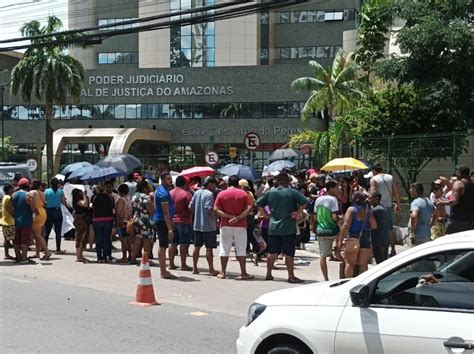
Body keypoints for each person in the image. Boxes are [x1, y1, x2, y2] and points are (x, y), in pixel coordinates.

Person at [256, 172, 309, 283]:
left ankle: (268, 274)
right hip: (288, 227)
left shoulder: (270, 193)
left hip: (273, 227)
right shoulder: (292, 192)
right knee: (289, 253)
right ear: (288, 181)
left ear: (278, 181)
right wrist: (298, 212)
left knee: (272, 252)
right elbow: (305, 201)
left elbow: (258, 203)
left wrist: (265, 215)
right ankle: (291, 276)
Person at [214, 175, 253, 280]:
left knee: (224, 248)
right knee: (241, 249)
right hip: (240, 225)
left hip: (225, 224)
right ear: (238, 184)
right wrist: (238, 217)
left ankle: (223, 272)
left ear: (227, 184)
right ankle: (243, 273)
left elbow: (216, 209)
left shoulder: (221, 194)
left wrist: (229, 217)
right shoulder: (244, 194)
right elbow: (249, 208)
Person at [338, 192, 376, 278]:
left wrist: (340, 240)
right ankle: (362, 284)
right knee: (363, 264)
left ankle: (347, 283)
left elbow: (346, 225)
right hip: (365, 236)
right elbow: (374, 225)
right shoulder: (368, 210)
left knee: (349, 264)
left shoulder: (351, 210)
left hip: (353, 236)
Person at [189, 176, 219, 276]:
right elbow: (208, 209)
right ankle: (211, 269)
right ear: (210, 184)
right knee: (209, 248)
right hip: (208, 226)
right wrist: (215, 215)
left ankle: (194, 268)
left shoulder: (196, 193)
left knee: (196, 247)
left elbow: (191, 206)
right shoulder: (209, 194)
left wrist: (197, 213)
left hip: (197, 224)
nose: (215, 187)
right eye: (214, 184)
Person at [369, 163, 401, 257]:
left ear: (374, 171)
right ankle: (393, 249)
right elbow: (397, 192)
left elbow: (373, 194)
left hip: (378, 208)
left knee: (378, 229)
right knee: (389, 229)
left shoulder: (374, 179)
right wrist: (398, 205)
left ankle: (378, 251)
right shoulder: (390, 177)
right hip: (388, 206)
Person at [313, 180, 340, 281]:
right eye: (337, 188)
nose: (338, 190)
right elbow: (334, 217)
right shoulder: (333, 199)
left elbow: (315, 218)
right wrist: (340, 221)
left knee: (322, 256)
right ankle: (337, 251)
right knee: (344, 240)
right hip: (333, 231)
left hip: (321, 230)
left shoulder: (318, 200)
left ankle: (326, 278)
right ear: (331, 189)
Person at [153, 172, 177, 279]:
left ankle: (163, 270)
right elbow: (166, 212)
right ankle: (163, 271)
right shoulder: (163, 193)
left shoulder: (161, 189)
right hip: (162, 221)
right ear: (162, 180)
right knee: (163, 246)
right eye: (168, 179)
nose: (170, 180)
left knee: (164, 246)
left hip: (162, 220)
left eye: (170, 179)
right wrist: (170, 228)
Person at [438, 165, 474, 234]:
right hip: (470, 221)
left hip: (457, 220)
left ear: (459, 173)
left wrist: (442, 202)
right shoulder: (471, 184)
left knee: (448, 240)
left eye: (457, 171)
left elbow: (454, 201)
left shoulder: (459, 184)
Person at [169, 176, 193, 271]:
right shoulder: (186, 194)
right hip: (184, 221)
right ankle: (183, 265)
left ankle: (171, 264)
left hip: (172, 221)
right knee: (184, 243)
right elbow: (190, 208)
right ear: (185, 184)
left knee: (173, 243)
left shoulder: (169, 193)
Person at [130, 181, 155, 266]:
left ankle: (133, 258)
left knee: (137, 239)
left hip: (136, 219)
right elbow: (150, 209)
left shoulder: (134, 196)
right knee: (147, 240)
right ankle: (146, 260)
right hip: (145, 220)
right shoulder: (145, 197)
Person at [11, 178, 34, 263]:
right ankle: (24, 259)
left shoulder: (14, 195)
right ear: (27, 185)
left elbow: (10, 207)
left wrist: (14, 215)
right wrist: (36, 213)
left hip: (17, 220)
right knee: (25, 240)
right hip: (26, 220)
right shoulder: (28, 195)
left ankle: (18, 257)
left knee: (16, 240)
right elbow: (32, 207)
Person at [91, 183, 115, 263]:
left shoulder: (94, 197)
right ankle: (105, 257)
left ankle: (99, 257)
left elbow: (92, 207)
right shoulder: (110, 197)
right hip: (108, 219)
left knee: (98, 239)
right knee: (106, 238)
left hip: (97, 220)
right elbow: (112, 207)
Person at [29, 180, 51, 260]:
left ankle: (47, 251)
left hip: (36, 213)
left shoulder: (32, 192)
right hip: (43, 212)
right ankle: (37, 253)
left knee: (37, 235)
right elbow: (45, 203)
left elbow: (31, 204)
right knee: (37, 235)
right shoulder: (42, 193)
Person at [44, 177, 67, 254]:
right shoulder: (60, 191)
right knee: (58, 231)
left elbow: (44, 201)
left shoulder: (47, 191)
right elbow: (64, 202)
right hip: (57, 211)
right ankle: (58, 248)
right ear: (58, 184)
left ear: (50, 184)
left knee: (47, 230)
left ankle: (45, 248)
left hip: (49, 211)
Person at [368, 191, 390, 264]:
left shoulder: (376, 210)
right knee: (384, 260)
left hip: (378, 239)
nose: (368, 200)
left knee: (380, 261)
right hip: (385, 238)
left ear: (376, 198)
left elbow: (373, 225)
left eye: (370, 198)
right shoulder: (384, 208)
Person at [115, 184, 133, 262]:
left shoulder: (121, 200)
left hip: (122, 222)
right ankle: (130, 255)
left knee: (123, 240)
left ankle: (124, 256)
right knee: (128, 239)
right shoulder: (128, 199)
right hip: (129, 221)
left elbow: (119, 212)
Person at [72, 188, 90, 263]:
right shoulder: (77, 200)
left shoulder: (80, 199)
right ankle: (79, 256)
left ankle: (80, 255)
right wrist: (84, 195)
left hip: (83, 219)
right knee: (79, 238)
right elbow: (85, 204)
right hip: (80, 219)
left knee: (82, 238)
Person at [1, 184, 16, 259]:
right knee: (13, 239)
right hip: (9, 221)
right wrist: (15, 216)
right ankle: (17, 255)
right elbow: (9, 209)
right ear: (9, 190)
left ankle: (7, 254)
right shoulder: (9, 197)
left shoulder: (5, 197)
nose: (13, 190)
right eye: (12, 188)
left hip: (5, 221)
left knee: (7, 240)